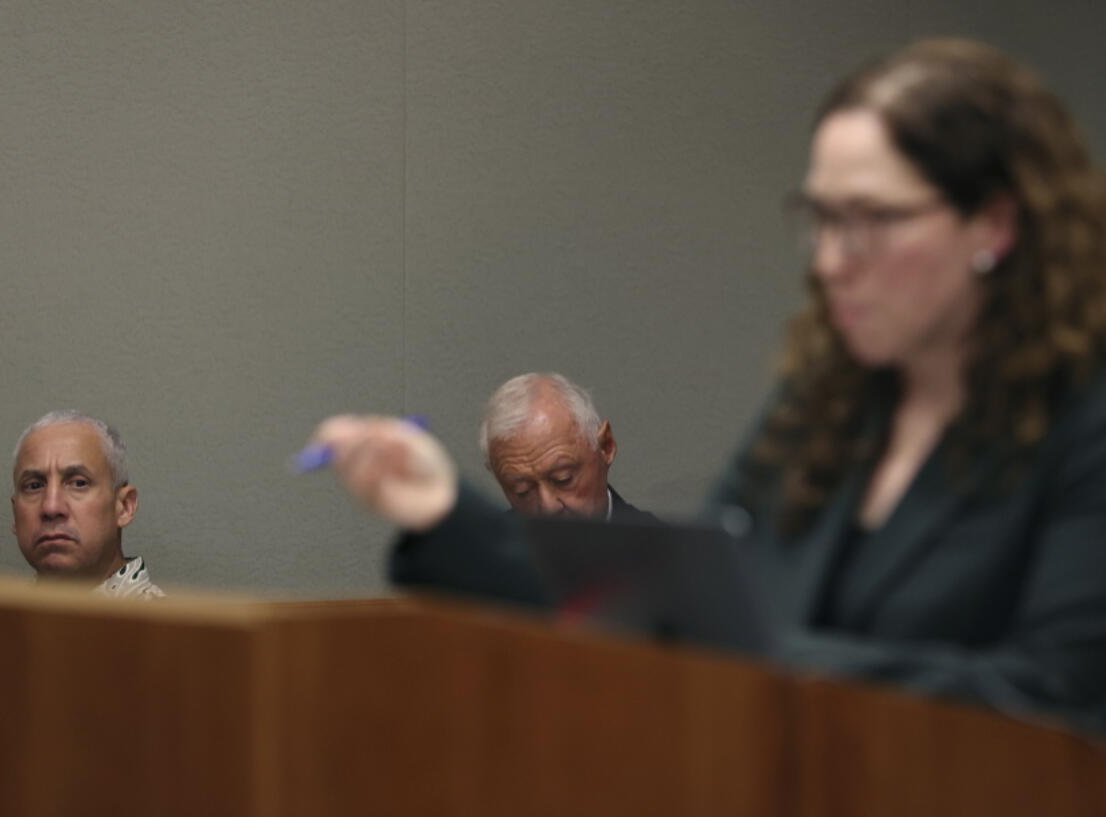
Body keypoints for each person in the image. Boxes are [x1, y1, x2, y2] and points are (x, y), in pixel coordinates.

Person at [308, 39, 1106, 731]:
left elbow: (1059, 705)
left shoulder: (1083, 426)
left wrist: (759, 655)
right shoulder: (823, 410)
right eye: (820, 218)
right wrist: (447, 512)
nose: (831, 260)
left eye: (872, 218)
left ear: (994, 226)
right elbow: (662, 608)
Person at [12, 410, 165, 599]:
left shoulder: (165, 627)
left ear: (125, 507)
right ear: (15, 515)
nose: (51, 507)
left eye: (79, 483)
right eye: (34, 486)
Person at [479, 373, 655, 522]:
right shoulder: (481, 558)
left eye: (563, 479)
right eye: (523, 491)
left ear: (605, 446)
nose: (548, 507)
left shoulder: (666, 553)